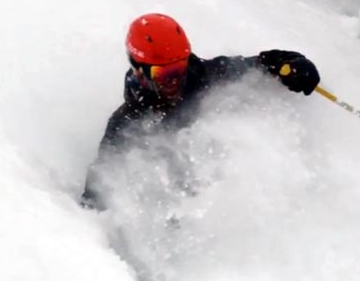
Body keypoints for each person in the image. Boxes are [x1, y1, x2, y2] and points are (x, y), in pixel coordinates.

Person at [81, 13, 320, 210]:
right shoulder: (127, 124)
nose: (175, 80)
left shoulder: (204, 77)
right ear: (139, 71)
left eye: (179, 68)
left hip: (221, 200)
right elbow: (100, 189)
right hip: (173, 217)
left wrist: (293, 65)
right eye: (164, 75)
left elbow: (263, 63)